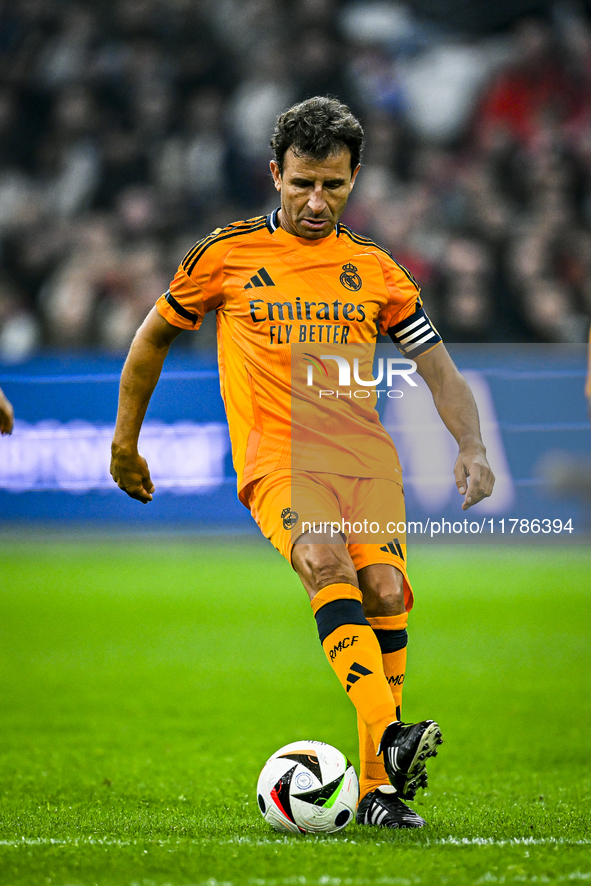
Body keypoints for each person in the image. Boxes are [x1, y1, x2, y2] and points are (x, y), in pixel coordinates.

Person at [111, 96, 495, 830]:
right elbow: (152, 337)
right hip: (280, 460)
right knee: (323, 563)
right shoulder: (223, 255)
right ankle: (390, 739)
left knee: (384, 590)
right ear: (274, 175)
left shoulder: (376, 270)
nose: (316, 202)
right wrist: (125, 442)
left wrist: (470, 445)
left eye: (334, 186)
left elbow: (439, 369)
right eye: (301, 184)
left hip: (365, 462)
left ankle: (382, 794)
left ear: (354, 181)